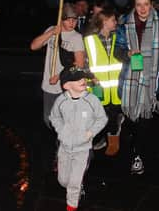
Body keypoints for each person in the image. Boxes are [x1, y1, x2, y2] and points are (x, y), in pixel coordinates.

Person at [116, 0, 159, 175]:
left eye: (146, 4)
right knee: (133, 120)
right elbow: (117, 50)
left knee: (146, 120)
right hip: (130, 80)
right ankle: (137, 149)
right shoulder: (124, 24)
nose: (143, 9)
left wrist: (156, 65)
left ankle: (138, 154)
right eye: (139, 5)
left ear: (151, 5)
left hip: (155, 81)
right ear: (134, 6)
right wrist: (127, 53)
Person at [49, 67, 108, 211]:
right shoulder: (61, 101)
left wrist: (90, 133)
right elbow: (54, 117)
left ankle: (71, 206)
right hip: (64, 148)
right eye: (77, 79)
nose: (82, 81)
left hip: (83, 149)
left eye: (83, 78)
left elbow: (102, 118)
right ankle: (74, 183)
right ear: (66, 85)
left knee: (74, 183)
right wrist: (61, 130)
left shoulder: (91, 100)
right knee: (63, 181)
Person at [30, 2, 86, 129]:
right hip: (48, 86)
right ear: (61, 19)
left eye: (74, 20)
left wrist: (60, 76)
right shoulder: (52, 30)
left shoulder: (76, 38)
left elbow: (80, 64)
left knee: (64, 120)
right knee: (48, 119)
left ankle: (65, 145)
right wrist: (51, 33)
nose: (72, 23)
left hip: (66, 86)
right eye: (68, 19)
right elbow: (33, 46)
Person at [83, 8, 124, 155]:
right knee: (97, 118)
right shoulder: (89, 40)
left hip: (116, 88)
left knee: (112, 117)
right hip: (97, 87)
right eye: (113, 20)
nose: (115, 22)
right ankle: (97, 140)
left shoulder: (119, 37)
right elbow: (85, 63)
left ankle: (113, 143)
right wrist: (90, 76)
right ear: (104, 22)